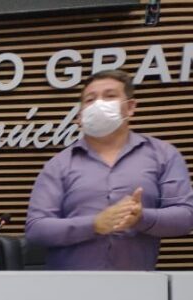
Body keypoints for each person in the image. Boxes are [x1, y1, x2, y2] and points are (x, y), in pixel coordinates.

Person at [25, 70, 193, 269]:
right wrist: (94, 224)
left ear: (130, 107)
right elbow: (36, 229)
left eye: (110, 96)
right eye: (90, 99)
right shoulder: (59, 165)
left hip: (138, 287)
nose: (99, 104)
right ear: (80, 116)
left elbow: (185, 217)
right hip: (68, 289)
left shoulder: (163, 155)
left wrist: (141, 218)